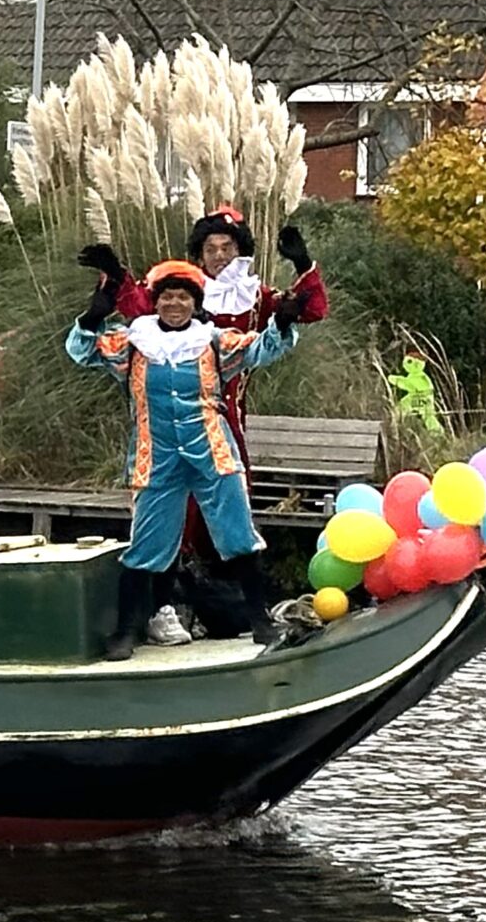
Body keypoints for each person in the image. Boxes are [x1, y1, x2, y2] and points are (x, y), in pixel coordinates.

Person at [67, 256, 303, 660]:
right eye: (167, 297)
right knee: (146, 546)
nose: (174, 304)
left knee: (238, 535)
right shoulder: (134, 344)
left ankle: (261, 622)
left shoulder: (212, 342)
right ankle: (126, 632)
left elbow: (263, 348)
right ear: (155, 302)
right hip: (156, 458)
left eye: (183, 298)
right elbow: (82, 351)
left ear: (195, 304)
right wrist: (94, 315)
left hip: (213, 453)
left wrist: (280, 321)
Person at [83, 204, 328, 456]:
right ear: (200, 256)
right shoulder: (182, 292)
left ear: (240, 250)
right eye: (210, 249)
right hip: (180, 406)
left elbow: (311, 311)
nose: (219, 256)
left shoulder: (256, 296)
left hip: (230, 410)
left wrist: (302, 263)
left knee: (230, 477)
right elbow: (137, 305)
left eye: (226, 248)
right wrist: (116, 275)